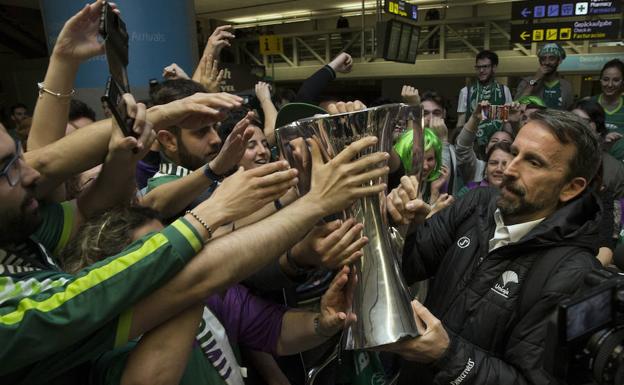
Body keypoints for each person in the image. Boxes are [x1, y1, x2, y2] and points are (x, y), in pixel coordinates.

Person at [0, 102, 387, 385]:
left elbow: (268, 328)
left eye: (19, 157)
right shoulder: (100, 342)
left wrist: (321, 323)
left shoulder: (26, 233)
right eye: (8, 168)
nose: (32, 172)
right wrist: (307, 205)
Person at [384, 109, 603, 384]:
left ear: (571, 188)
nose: (509, 169)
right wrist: (406, 227)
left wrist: (447, 356)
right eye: (515, 153)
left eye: (533, 162)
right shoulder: (477, 204)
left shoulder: (573, 275)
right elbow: (409, 266)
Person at [59, 205, 357, 385]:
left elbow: (275, 331)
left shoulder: (206, 297)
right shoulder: (103, 334)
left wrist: (321, 322)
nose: (175, 260)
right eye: (157, 252)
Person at [456, 50, 512, 149]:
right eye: (478, 67)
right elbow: (461, 123)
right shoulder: (465, 92)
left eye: (485, 67)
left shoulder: (504, 91)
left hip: (497, 146)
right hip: (472, 145)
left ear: (494, 68)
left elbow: (506, 123)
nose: (481, 71)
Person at [455, 100, 514, 186]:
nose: (498, 145)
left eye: (505, 142)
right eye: (494, 141)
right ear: (486, 148)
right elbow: (462, 148)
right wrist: (475, 118)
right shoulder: (478, 167)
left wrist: (515, 122)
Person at [515, 43, 574, 110]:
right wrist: (535, 79)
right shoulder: (527, 82)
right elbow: (517, 103)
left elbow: (569, 111)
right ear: (540, 61)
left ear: (559, 61)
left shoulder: (566, 86)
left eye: (552, 58)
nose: (547, 62)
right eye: (543, 59)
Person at [592, 59, 624, 161]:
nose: (610, 85)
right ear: (600, 80)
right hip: (593, 161)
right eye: (605, 79)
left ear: (623, 82)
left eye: (616, 80)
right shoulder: (589, 104)